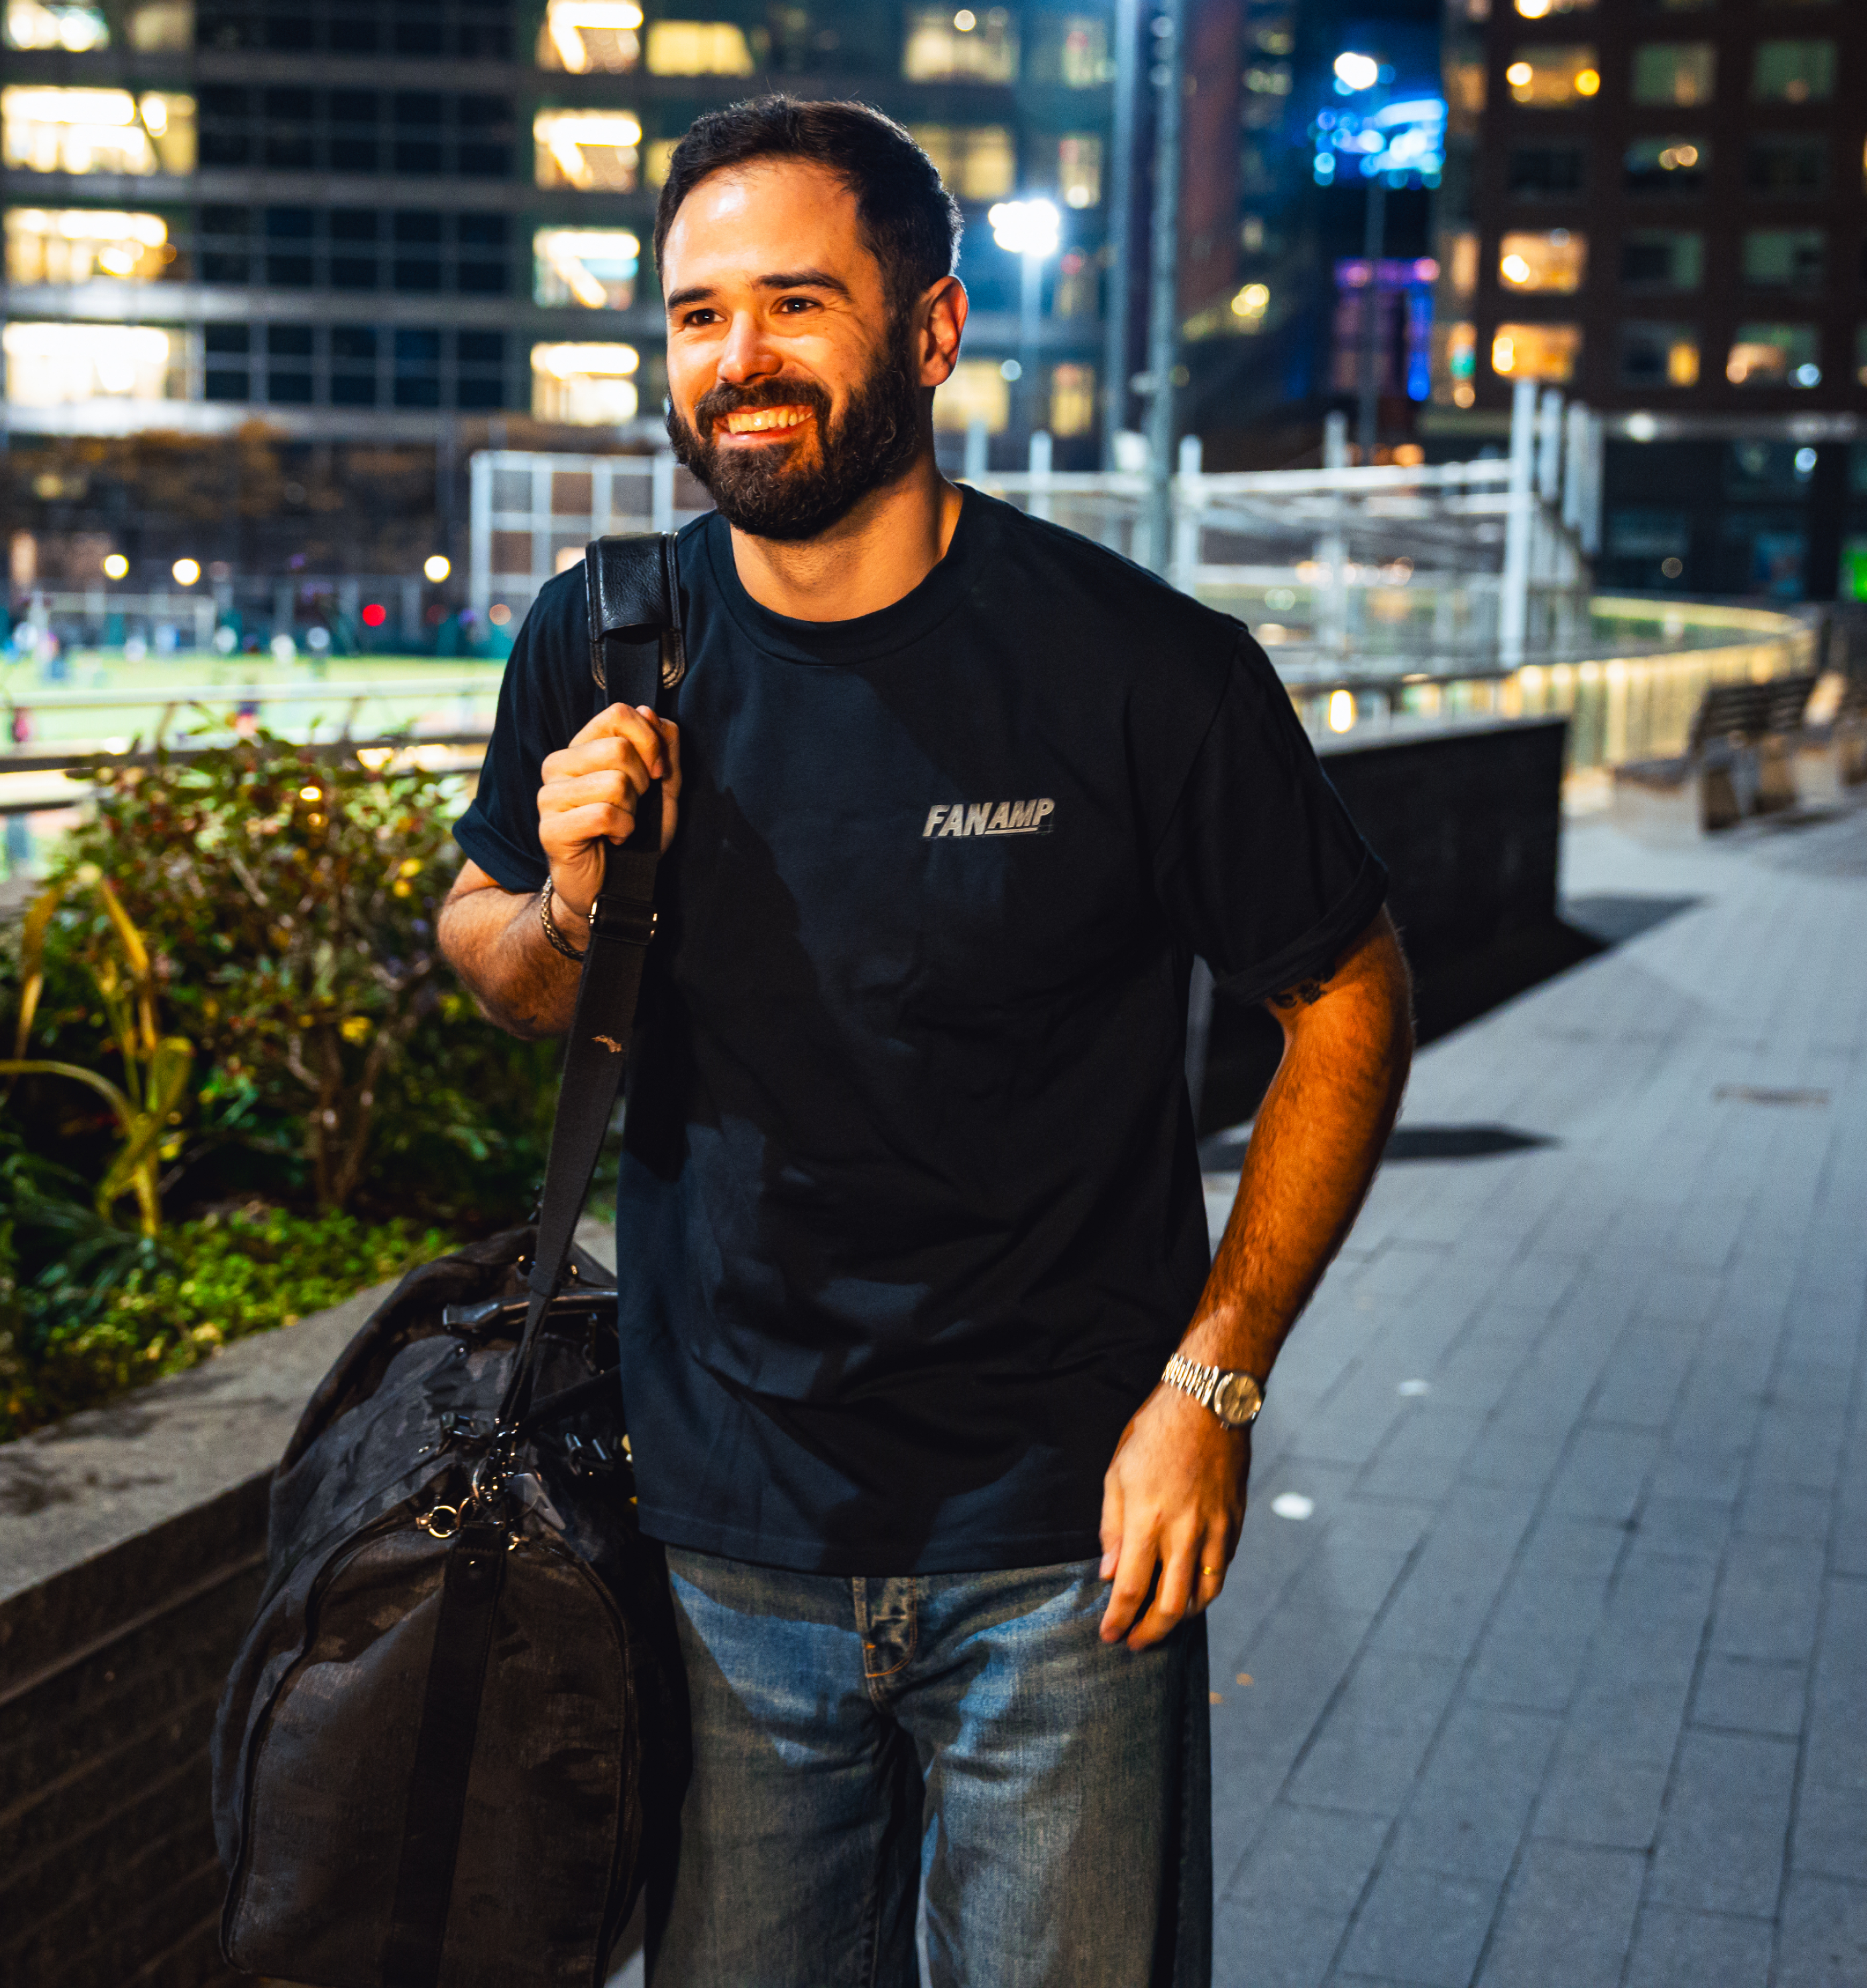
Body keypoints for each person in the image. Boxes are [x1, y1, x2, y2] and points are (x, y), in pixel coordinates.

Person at [440, 97, 1412, 1988]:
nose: (740, 361)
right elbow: (490, 951)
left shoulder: (1143, 672)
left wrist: (1215, 1384)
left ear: (936, 332)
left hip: (1066, 1548)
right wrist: (564, 905)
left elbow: (1349, 992)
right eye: (699, 314)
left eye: (796, 304)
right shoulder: (605, 639)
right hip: (720, 1545)